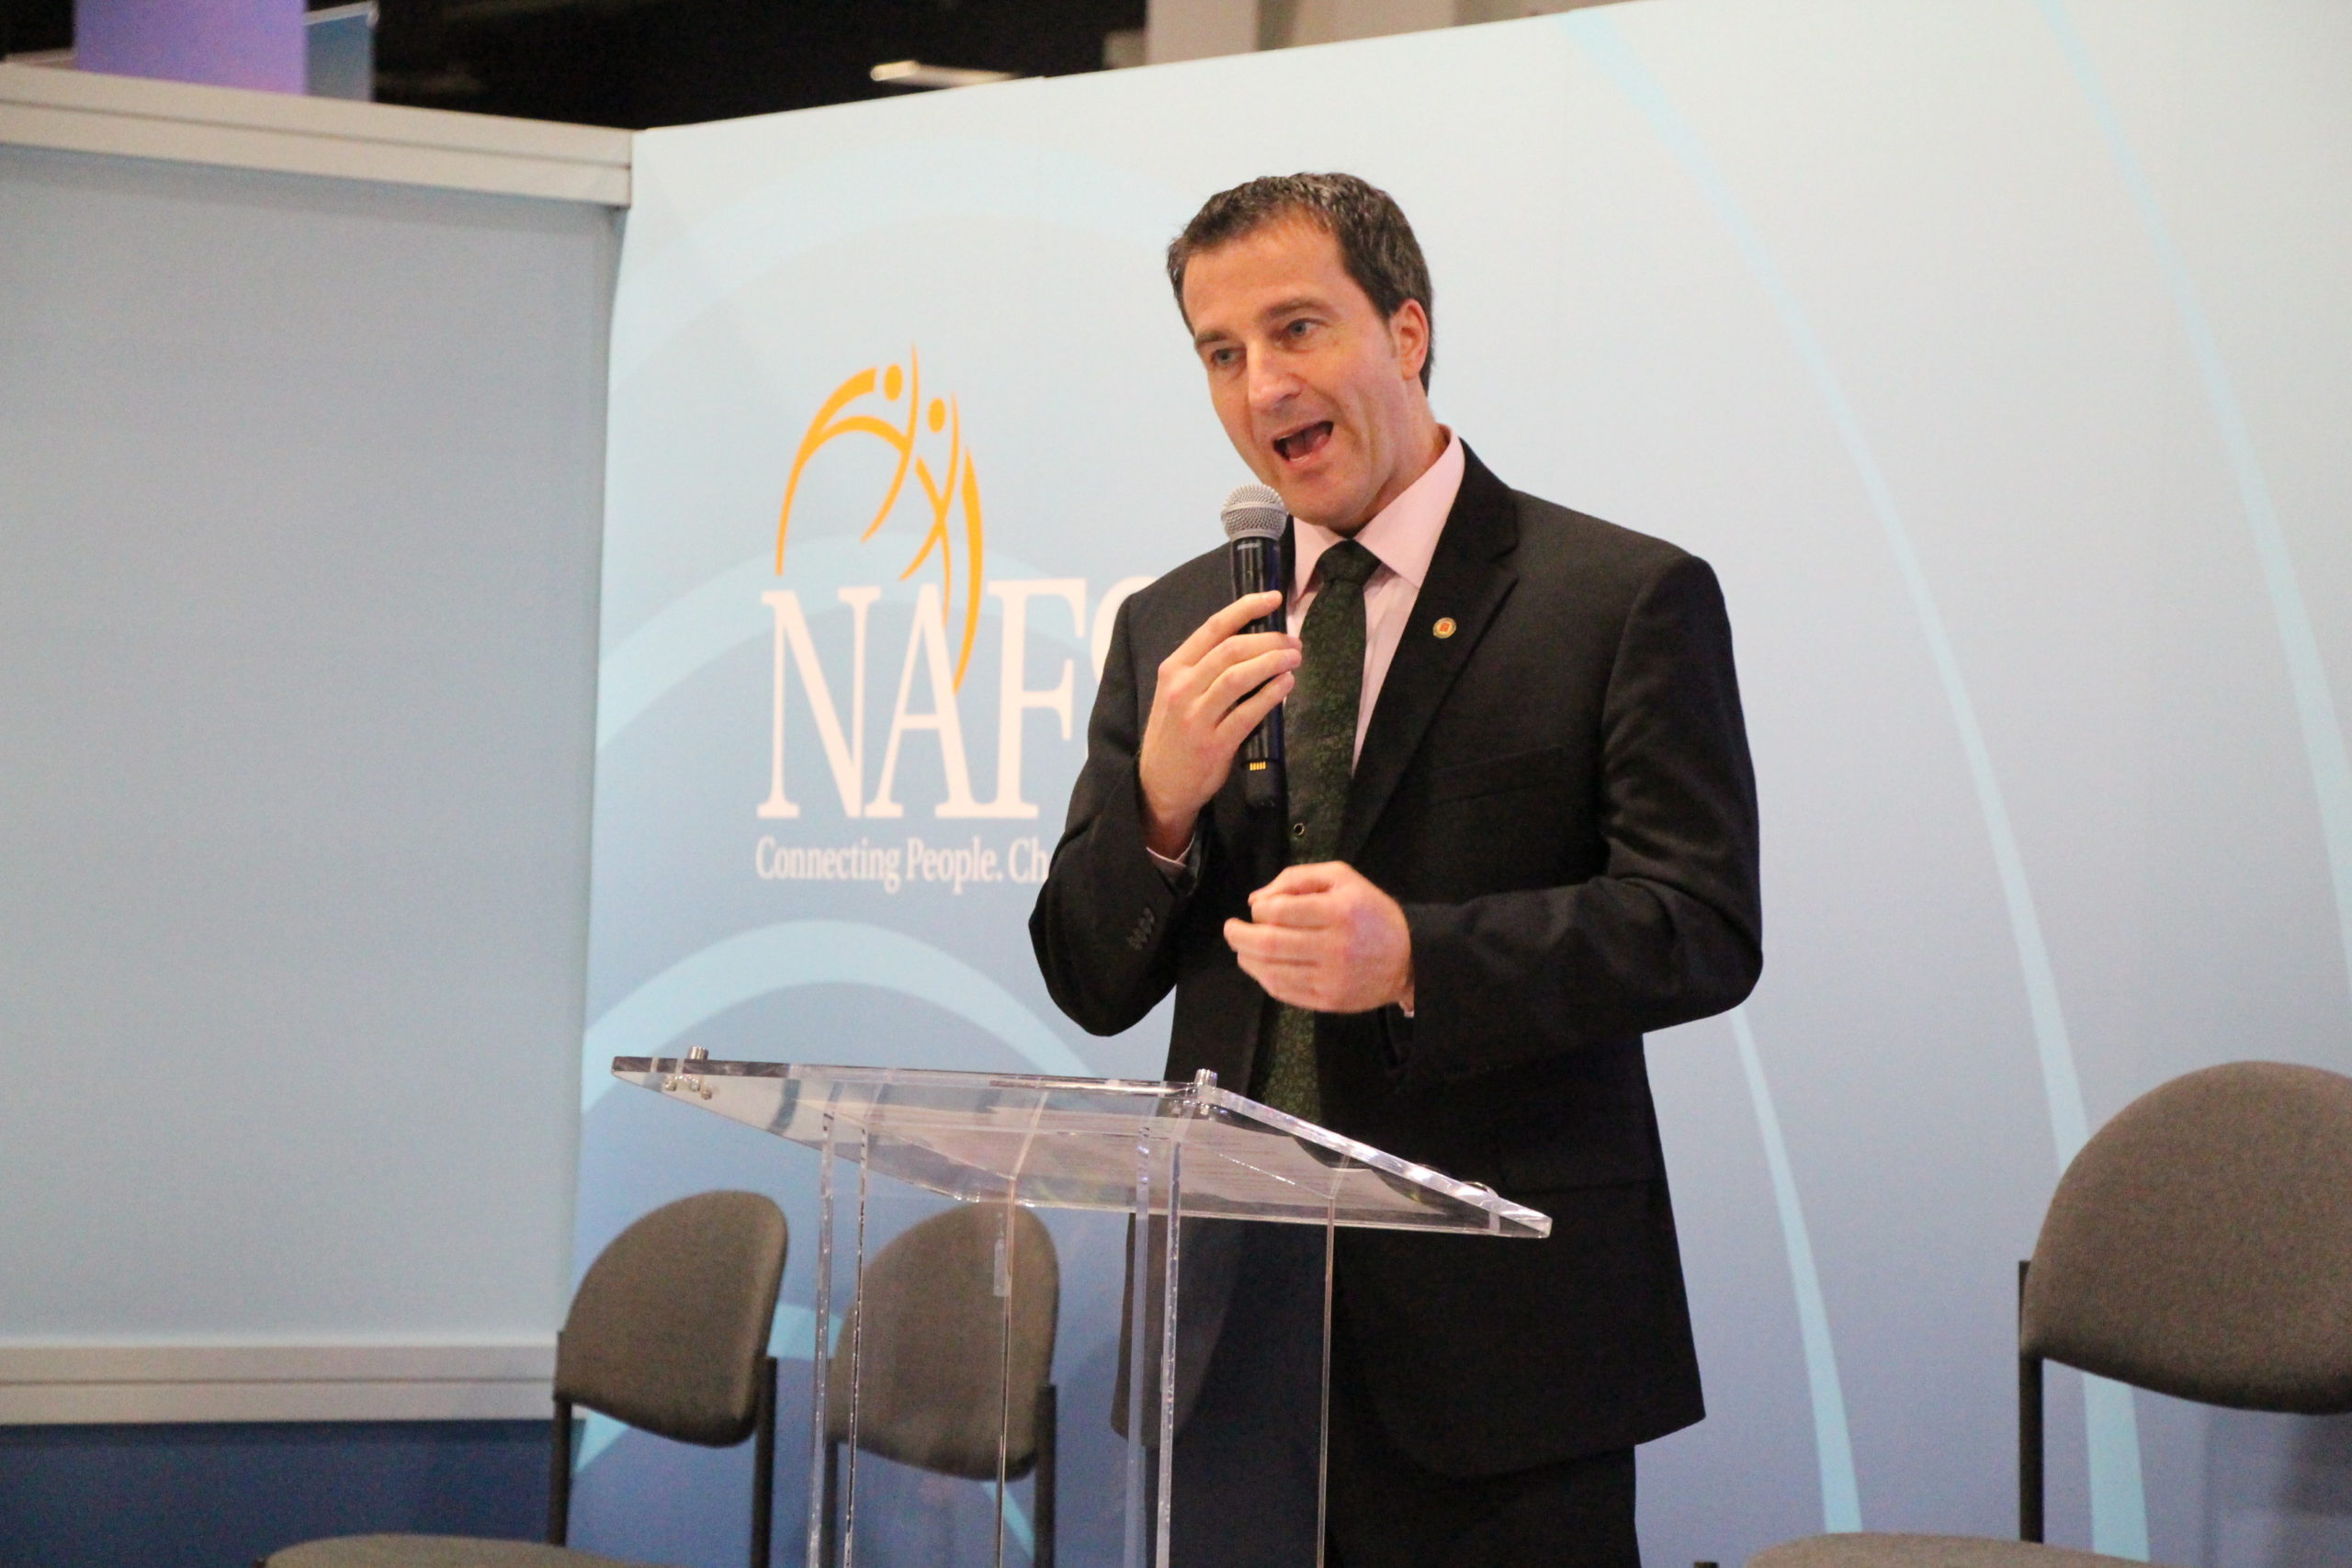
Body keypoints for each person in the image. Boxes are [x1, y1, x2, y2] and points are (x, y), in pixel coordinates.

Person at [1028, 173, 1762, 1568]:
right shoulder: (1179, 624)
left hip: (1502, 1358)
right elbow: (1087, 976)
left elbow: (1699, 924)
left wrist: (1421, 958)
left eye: (1297, 329)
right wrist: (1160, 806)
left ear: (1408, 332)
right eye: (1221, 352)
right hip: (1230, 1349)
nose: (1262, 385)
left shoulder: (1615, 599)